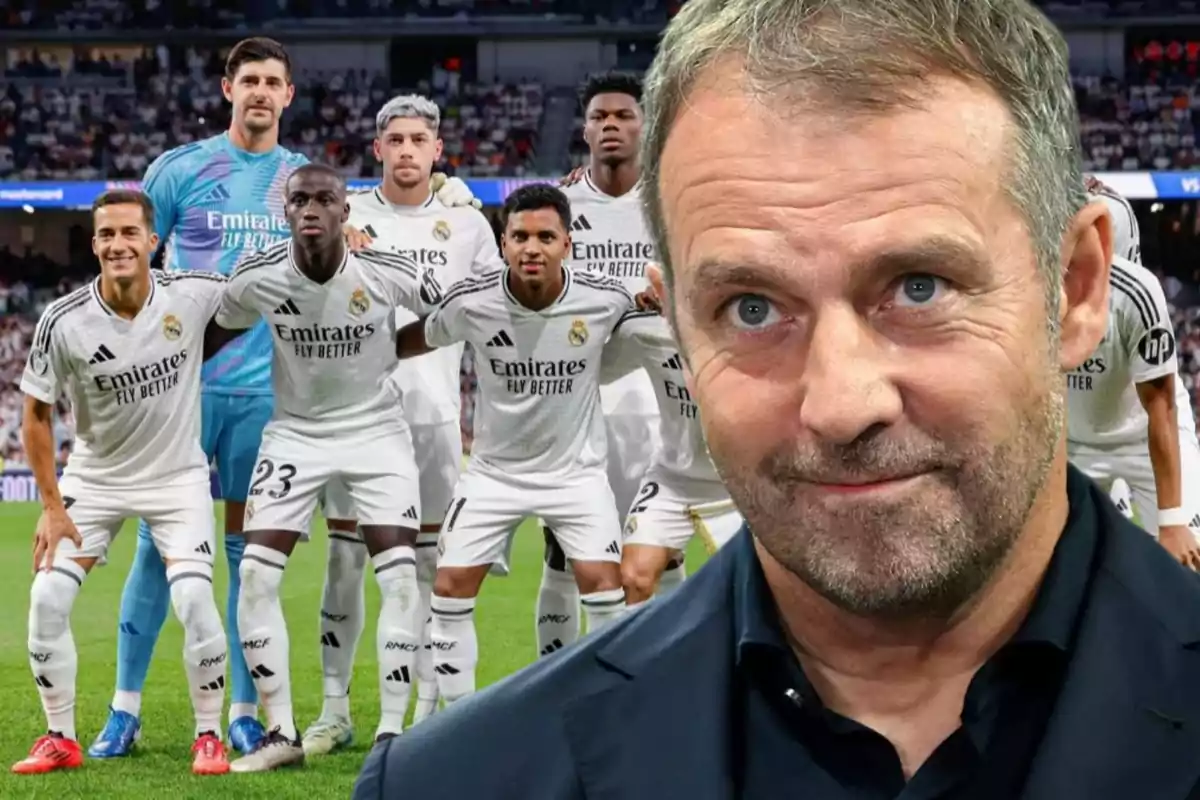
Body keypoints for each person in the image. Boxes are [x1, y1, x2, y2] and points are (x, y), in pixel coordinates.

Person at [353, 0, 1200, 797]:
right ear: (679, 319)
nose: (840, 403)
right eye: (752, 308)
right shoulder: (460, 782)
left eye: (918, 286)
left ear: (1077, 291)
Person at [98, 37, 480, 759]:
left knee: (249, 554)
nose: (261, 93)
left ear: (289, 94)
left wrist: (445, 190)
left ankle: (249, 712)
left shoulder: (299, 182)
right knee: (158, 548)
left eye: (274, 81)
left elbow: (386, 230)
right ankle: (124, 707)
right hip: (189, 393)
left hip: (267, 400)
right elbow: (139, 261)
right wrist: (143, 362)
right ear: (227, 88)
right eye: (250, 80)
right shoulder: (178, 171)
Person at [206, 164, 441, 772]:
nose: (311, 208)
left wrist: (393, 350)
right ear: (285, 211)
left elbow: (451, 315)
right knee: (255, 576)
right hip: (294, 436)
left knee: (395, 576)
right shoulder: (259, 277)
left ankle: (392, 732)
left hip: (376, 432)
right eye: (300, 199)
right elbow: (211, 333)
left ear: (346, 211)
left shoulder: (384, 269)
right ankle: (280, 733)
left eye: (325, 199)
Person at [301, 94, 504, 757]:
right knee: (344, 560)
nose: (409, 150)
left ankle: (419, 710)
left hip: (434, 417)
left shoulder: (469, 226)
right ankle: (335, 711)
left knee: (422, 570)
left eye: (421, 139)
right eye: (397, 139)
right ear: (379, 147)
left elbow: (498, 320)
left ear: (438, 150)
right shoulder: (347, 215)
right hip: (352, 414)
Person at [14, 190, 231, 776]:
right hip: (96, 478)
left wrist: (353, 241)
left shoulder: (191, 294)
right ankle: (59, 737)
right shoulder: (64, 320)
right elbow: (34, 413)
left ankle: (208, 736)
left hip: (176, 477)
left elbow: (260, 288)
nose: (118, 245)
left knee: (192, 598)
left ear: (152, 241)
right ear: (94, 245)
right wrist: (53, 506)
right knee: (46, 597)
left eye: (129, 233)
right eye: (107, 235)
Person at [392, 183, 634, 705]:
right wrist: (363, 360)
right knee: (450, 588)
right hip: (493, 476)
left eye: (546, 236)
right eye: (520, 236)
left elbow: (655, 322)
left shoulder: (606, 299)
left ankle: (602, 714)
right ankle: (458, 723)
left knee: (604, 588)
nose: (532, 247)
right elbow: (416, 337)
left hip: (576, 475)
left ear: (568, 244)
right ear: (503, 243)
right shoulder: (473, 302)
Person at [534, 71, 672, 659]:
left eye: (624, 116)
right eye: (601, 117)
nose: (612, 125)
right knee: (565, 550)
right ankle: (553, 685)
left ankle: (665, 675)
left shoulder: (668, 203)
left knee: (663, 549)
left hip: (657, 401)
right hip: (579, 399)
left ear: (644, 124)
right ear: (585, 128)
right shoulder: (561, 206)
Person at [599, 305, 744, 607]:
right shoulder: (642, 327)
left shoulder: (744, 322)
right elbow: (598, 372)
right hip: (672, 479)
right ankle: (647, 654)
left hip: (735, 485)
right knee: (633, 578)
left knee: (751, 595)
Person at [1065, 251, 1200, 566]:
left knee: (1190, 559)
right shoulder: (1030, 283)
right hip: (1074, 441)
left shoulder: (1134, 293)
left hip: (1142, 437)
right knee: (1061, 566)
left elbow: (1160, 406)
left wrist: (1171, 521)